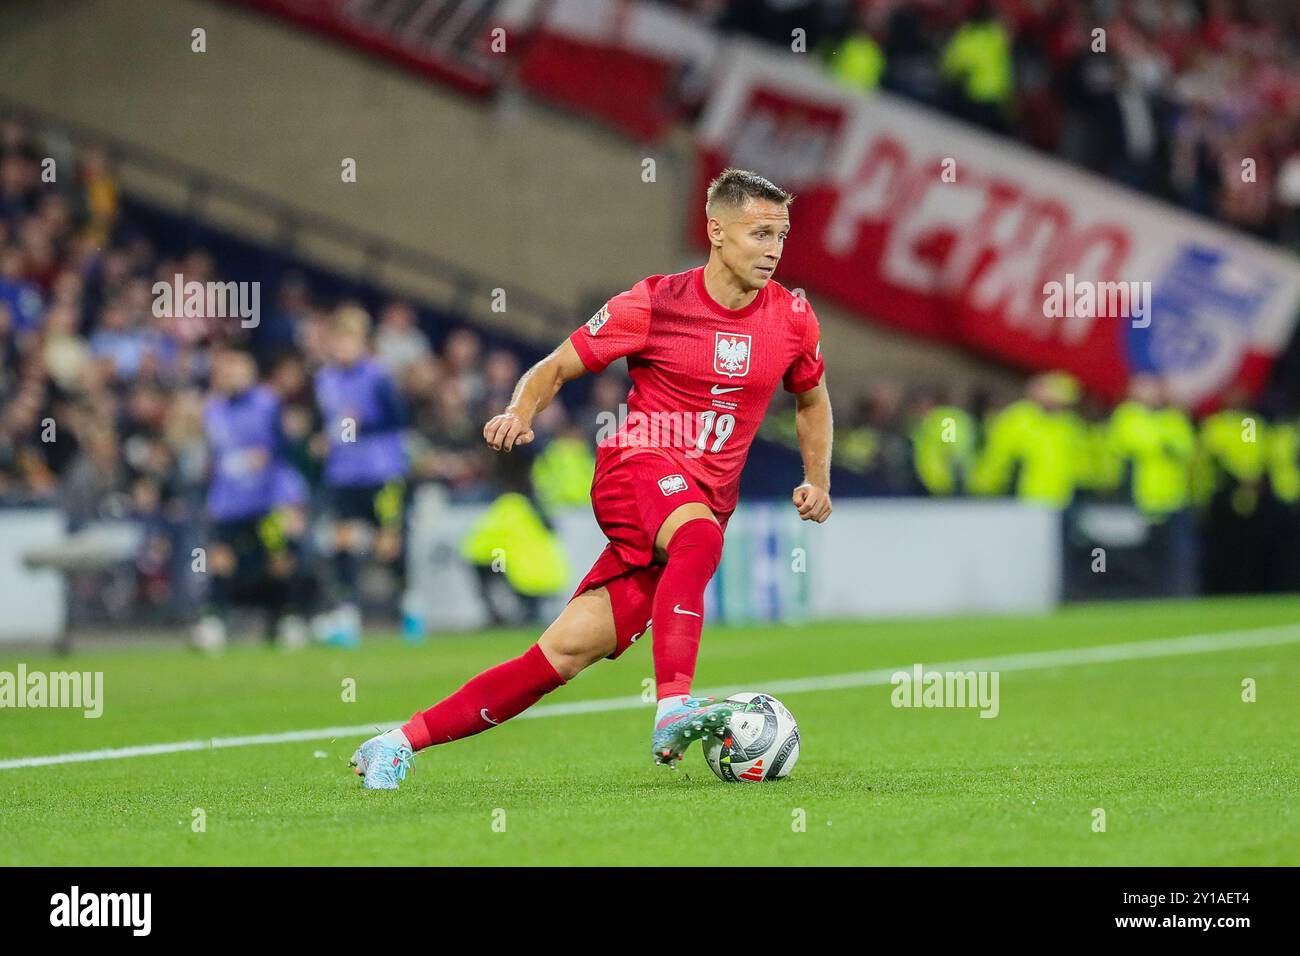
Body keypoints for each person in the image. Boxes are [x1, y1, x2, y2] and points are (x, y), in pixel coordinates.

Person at [349, 168, 835, 789]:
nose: (773, 249)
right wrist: (519, 412)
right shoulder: (655, 302)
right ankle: (674, 706)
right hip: (638, 465)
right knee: (699, 540)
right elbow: (554, 367)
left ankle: (395, 743)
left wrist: (816, 479)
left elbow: (812, 399)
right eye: (759, 233)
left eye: (782, 236)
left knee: (560, 656)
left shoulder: (792, 318)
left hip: (701, 503)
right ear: (716, 231)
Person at [195, 347, 312, 652]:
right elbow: (214, 456)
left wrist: (290, 497)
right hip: (230, 500)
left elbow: (286, 449)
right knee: (220, 559)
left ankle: (288, 618)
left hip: (268, 499)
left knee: (279, 558)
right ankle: (213, 622)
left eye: (238, 371)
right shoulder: (212, 409)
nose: (232, 377)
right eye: (227, 372)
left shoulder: (267, 404)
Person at [313, 306, 410, 647]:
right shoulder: (324, 379)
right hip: (343, 472)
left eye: (349, 339)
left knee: (387, 547)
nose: (343, 346)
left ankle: (408, 604)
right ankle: (347, 614)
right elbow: (330, 423)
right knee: (343, 542)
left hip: (381, 470)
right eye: (337, 339)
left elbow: (399, 418)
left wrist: (360, 424)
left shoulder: (377, 376)